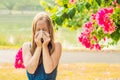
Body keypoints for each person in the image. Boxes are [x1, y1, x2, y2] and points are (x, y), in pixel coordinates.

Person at [22, 12, 62, 80]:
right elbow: (31, 69)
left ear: (49, 30)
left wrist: (45, 46)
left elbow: (48, 70)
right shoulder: (27, 46)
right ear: (34, 31)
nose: (41, 33)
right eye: (38, 30)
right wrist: (39, 47)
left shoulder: (57, 46)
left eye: (44, 30)